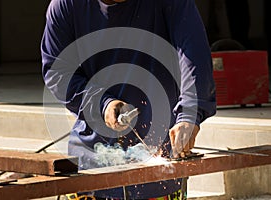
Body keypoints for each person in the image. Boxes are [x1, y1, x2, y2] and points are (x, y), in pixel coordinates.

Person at [41, 0, 216, 199]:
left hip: (159, 159)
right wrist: (102, 104)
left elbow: (194, 55)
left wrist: (189, 113)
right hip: (89, 163)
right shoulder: (66, 4)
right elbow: (58, 73)